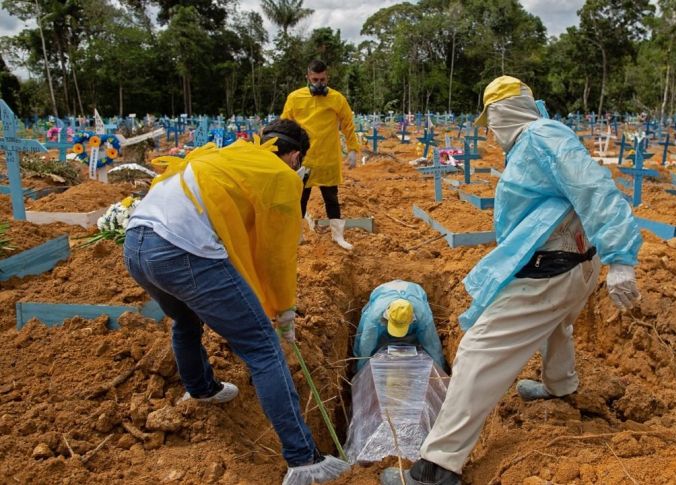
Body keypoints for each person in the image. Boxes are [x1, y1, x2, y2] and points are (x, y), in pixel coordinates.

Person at [398, 76, 643, 485]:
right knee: (557, 324)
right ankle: (559, 386)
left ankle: (437, 466)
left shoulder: (539, 137)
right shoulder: (537, 139)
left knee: (479, 350)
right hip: (574, 264)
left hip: (555, 267)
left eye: (490, 123)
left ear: (502, 114)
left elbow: (593, 187)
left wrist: (622, 258)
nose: (490, 135)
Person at [122, 119, 348, 485]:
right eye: (298, 161)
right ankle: (305, 460)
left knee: (186, 321)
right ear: (293, 155)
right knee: (262, 347)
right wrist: (284, 309)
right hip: (182, 250)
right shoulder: (281, 175)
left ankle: (201, 389)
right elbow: (277, 252)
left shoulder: (234, 153)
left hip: (136, 244)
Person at [281, 59, 361, 250]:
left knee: (331, 198)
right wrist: (283, 152)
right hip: (303, 159)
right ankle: (297, 235)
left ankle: (338, 236)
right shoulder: (295, 98)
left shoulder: (337, 99)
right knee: (300, 198)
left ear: (328, 77)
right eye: (315, 79)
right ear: (308, 77)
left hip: (328, 158)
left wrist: (352, 149)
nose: (319, 83)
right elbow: (285, 124)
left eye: (323, 79)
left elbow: (347, 124)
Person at [353, 280, 446, 371]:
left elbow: (432, 343)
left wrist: (440, 370)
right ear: (388, 315)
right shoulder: (374, 315)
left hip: (414, 291)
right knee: (366, 337)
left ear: (411, 318)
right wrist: (360, 370)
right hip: (384, 291)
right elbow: (366, 344)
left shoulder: (422, 314)